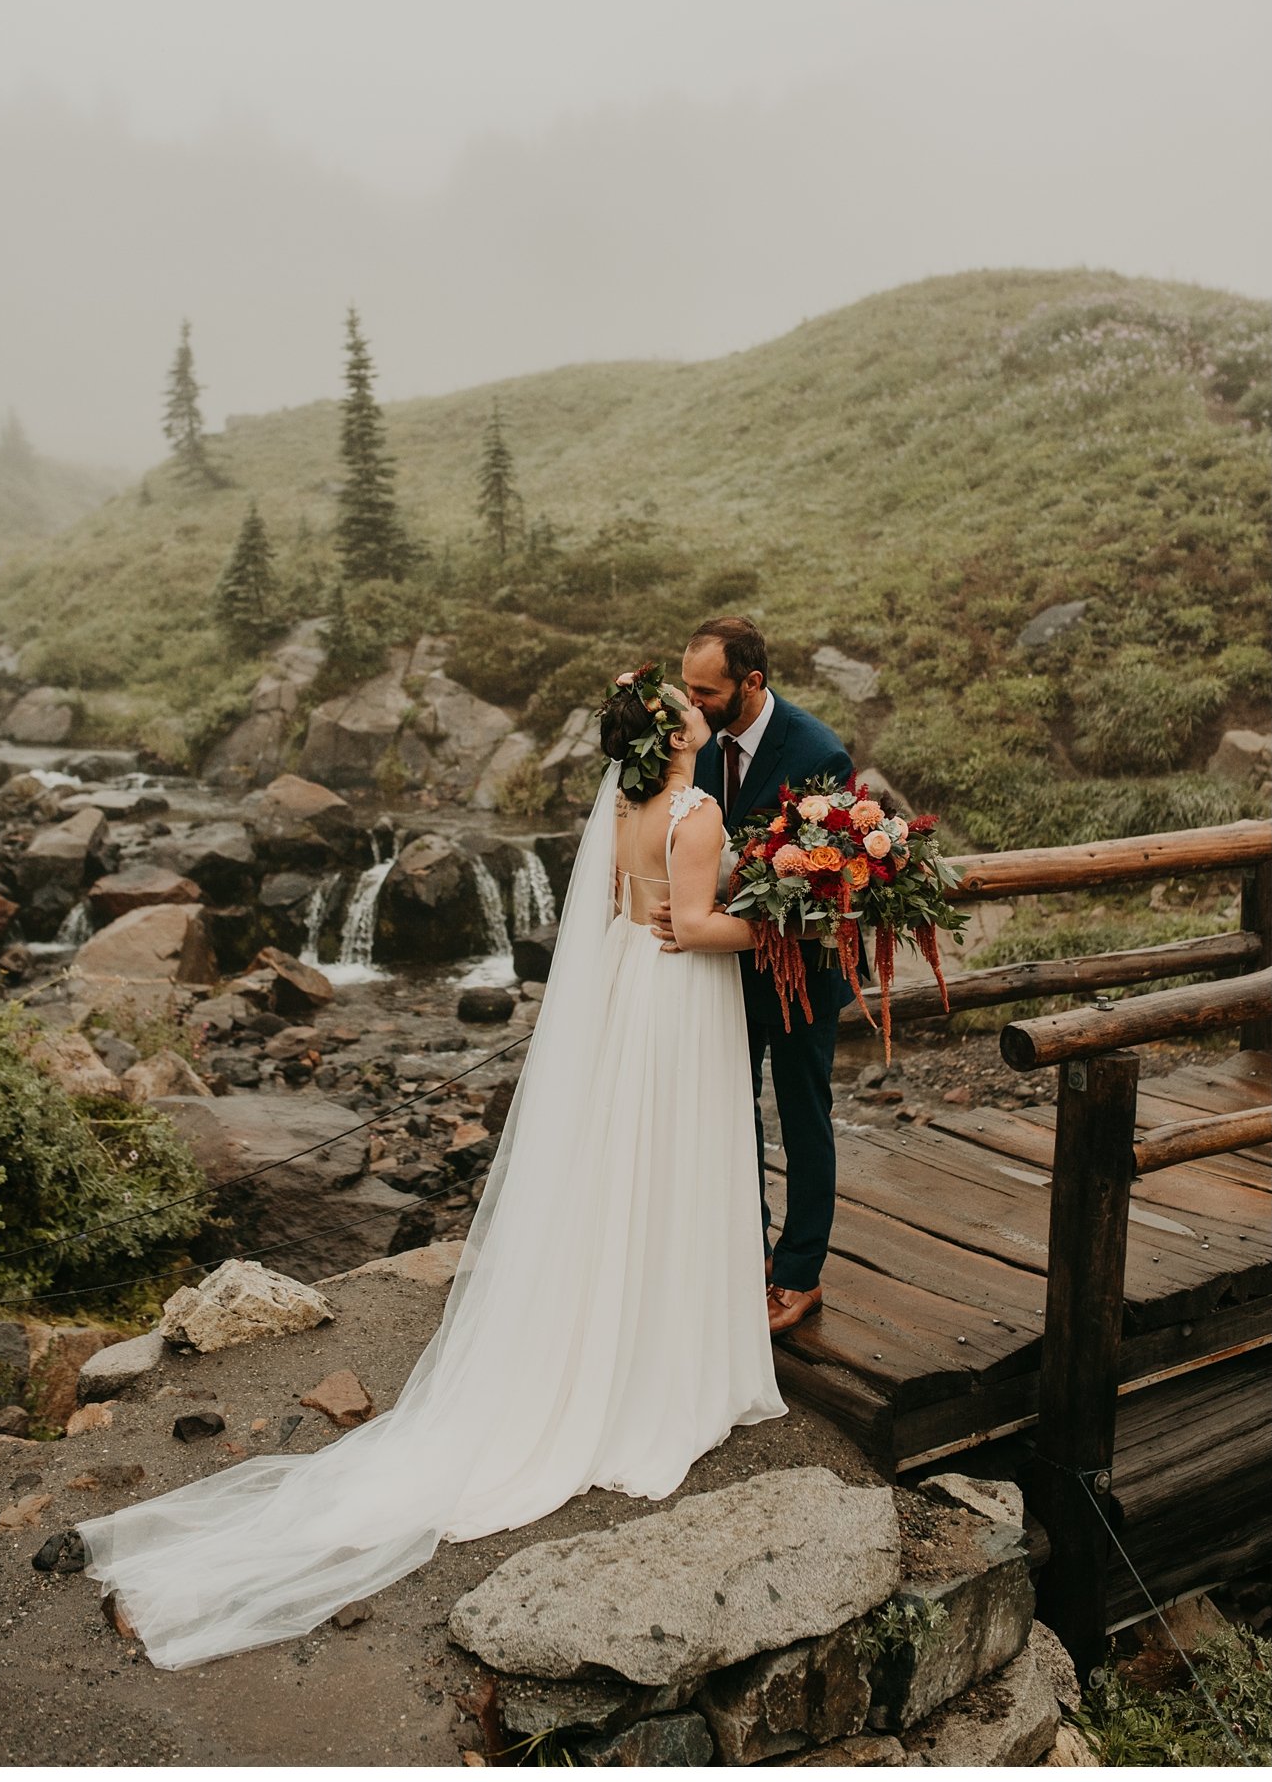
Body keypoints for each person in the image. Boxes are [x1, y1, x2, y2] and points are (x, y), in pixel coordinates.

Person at [73, 665, 786, 1670]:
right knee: (667, 1164)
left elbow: (637, 909)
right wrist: (781, 917)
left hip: (632, 992)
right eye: (693, 713)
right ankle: (662, 1351)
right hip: (674, 1003)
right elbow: (702, 925)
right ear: (673, 736)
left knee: (621, 1166)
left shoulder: (626, 808)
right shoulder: (698, 808)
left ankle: (619, 1330)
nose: (705, 721)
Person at [673, 616, 854, 1338]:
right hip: (727, 967)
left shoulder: (817, 754)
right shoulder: (693, 744)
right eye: (687, 686)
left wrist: (704, 911)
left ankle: (798, 1274)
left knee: (804, 1118)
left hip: (803, 970)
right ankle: (743, 1254)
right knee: (730, 1111)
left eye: (705, 691)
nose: (693, 703)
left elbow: (822, 889)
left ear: (752, 682)